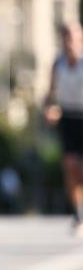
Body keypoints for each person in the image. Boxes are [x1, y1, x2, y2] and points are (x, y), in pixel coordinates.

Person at [44, 21, 83, 235]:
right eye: (66, 37)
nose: (69, 42)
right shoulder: (57, 63)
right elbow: (50, 94)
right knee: (70, 166)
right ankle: (78, 214)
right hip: (68, 117)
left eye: (73, 37)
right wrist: (50, 108)